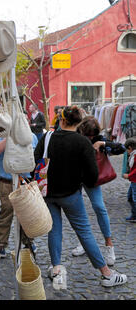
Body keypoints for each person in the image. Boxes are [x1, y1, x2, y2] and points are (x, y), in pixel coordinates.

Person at [34, 106, 127, 288]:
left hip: (47, 193)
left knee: (54, 231)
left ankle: (56, 269)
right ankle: (106, 274)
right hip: (71, 194)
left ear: (61, 120)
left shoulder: (47, 137)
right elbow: (92, 176)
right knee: (84, 231)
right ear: (78, 123)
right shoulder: (82, 142)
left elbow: (35, 160)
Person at [72, 116, 126, 265]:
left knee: (100, 208)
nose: (89, 137)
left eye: (92, 135)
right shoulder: (75, 135)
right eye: (87, 135)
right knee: (78, 212)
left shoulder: (98, 139)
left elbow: (121, 147)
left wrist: (102, 143)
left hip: (91, 180)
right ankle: (84, 243)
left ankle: (109, 245)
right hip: (74, 179)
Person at [0, 133, 39, 258]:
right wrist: (9, 138)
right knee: (6, 210)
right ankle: (1, 244)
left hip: (25, 180)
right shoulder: (1, 135)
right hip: (6, 180)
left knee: (26, 213)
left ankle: (28, 242)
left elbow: (37, 157)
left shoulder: (31, 136)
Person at [123, 137, 136, 223]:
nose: (127, 152)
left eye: (127, 150)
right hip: (133, 181)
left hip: (135, 180)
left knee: (134, 198)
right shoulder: (133, 155)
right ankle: (134, 215)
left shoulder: (134, 156)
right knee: (130, 197)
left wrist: (129, 175)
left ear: (130, 148)